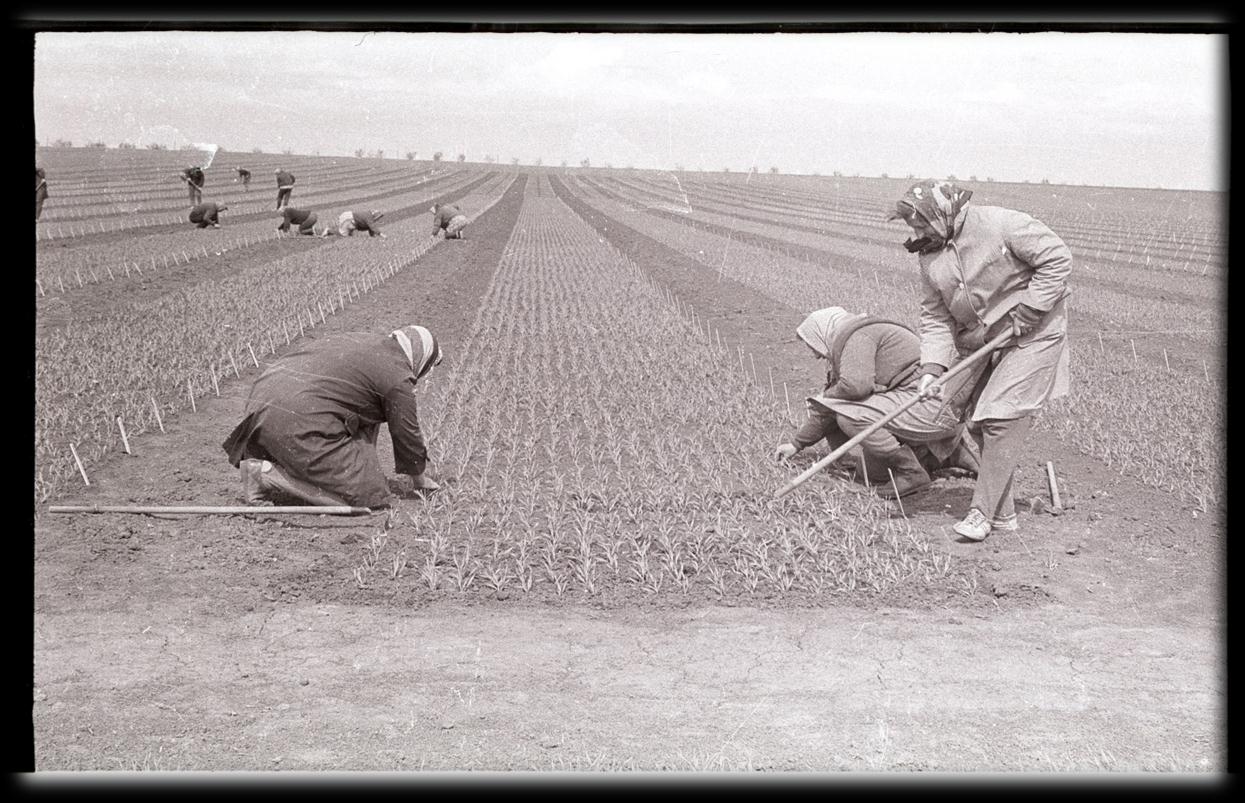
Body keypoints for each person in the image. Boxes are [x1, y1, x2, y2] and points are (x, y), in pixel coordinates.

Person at [888, 179, 1072, 541]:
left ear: (945, 211)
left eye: (923, 224)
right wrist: (932, 369)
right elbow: (936, 316)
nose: (918, 232)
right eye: (914, 227)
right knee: (977, 423)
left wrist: (1031, 309)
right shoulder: (930, 256)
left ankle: (980, 514)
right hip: (982, 340)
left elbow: (1058, 259)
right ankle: (1003, 516)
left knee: (1001, 413)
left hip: (1034, 334)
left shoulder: (1004, 225)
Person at [222, 326, 444, 509]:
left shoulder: (365, 341)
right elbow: (406, 433)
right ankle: (267, 475)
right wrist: (419, 480)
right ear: (421, 359)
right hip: (297, 418)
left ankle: (315, 468)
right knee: (370, 498)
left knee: (355, 427)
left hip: (261, 406)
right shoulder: (397, 376)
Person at [774, 306, 983, 499]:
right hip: (936, 409)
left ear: (823, 333)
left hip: (930, 406)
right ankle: (945, 455)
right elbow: (831, 408)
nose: (816, 355)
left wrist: (825, 398)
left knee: (849, 416)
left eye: (813, 346)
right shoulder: (861, 334)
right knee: (873, 472)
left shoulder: (857, 336)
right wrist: (796, 444)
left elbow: (855, 387)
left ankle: (910, 472)